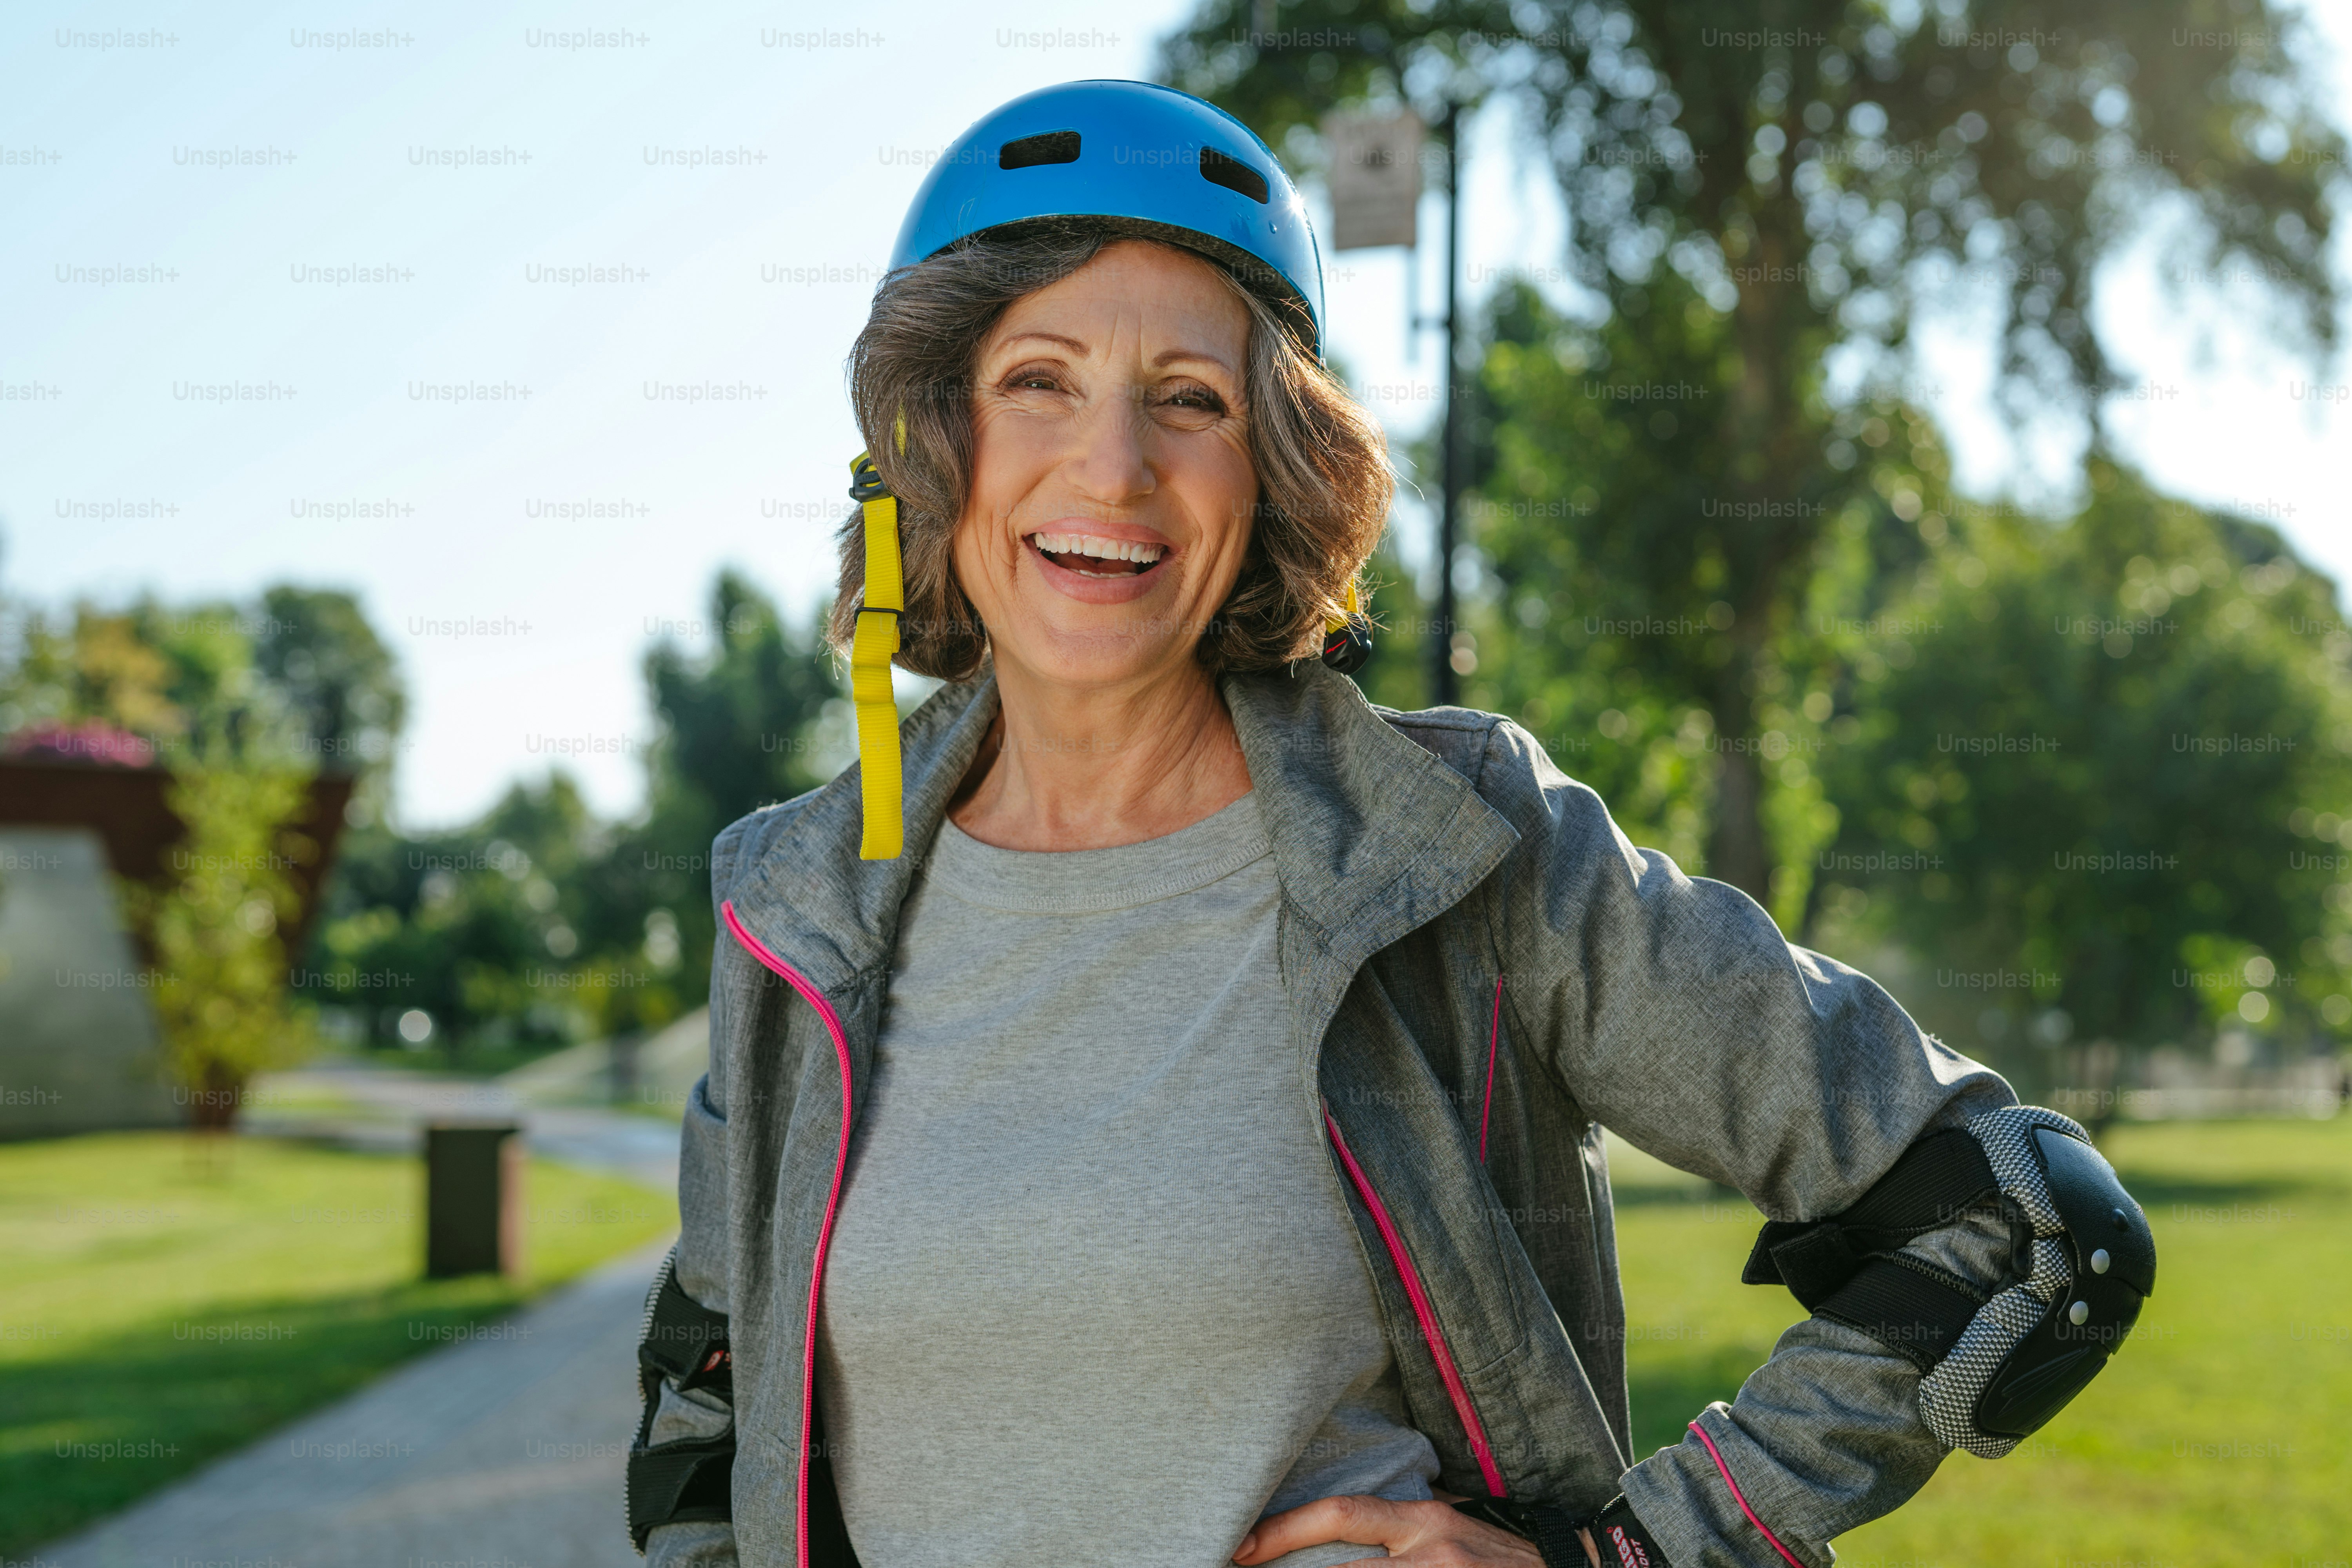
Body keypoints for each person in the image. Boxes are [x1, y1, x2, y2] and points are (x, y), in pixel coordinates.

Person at [625, 80, 2155, 1568]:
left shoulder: (1469, 844)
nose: (1114, 466)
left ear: (1274, 468)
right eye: (1041, 380)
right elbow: (703, 1416)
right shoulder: (798, 904)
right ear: (929, 442)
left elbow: (2021, 1222)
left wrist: (1627, 1555)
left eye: (1190, 400)